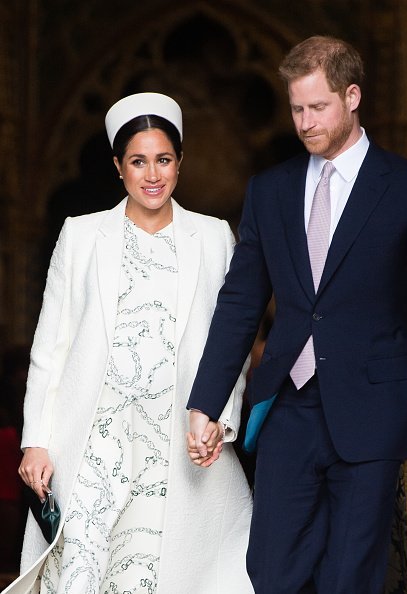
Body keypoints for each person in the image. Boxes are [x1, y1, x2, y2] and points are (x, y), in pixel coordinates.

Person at [187, 36, 407, 594]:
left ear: (352, 96)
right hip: (289, 410)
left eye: (319, 107)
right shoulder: (270, 190)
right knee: (270, 569)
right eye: (297, 109)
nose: (306, 122)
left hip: (373, 412)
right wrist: (206, 401)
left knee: (350, 578)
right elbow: (240, 303)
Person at [6, 92, 253, 594]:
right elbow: (50, 346)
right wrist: (36, 440)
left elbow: (232, 343)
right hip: (93, 444)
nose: (152, 174)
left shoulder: (213, 238)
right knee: (82, 575)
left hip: (177, 446)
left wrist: (221, 418)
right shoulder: (81, 235)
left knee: (153, 578)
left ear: (180, 164)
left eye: (163, 159)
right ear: (119, 167)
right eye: (138, 161)